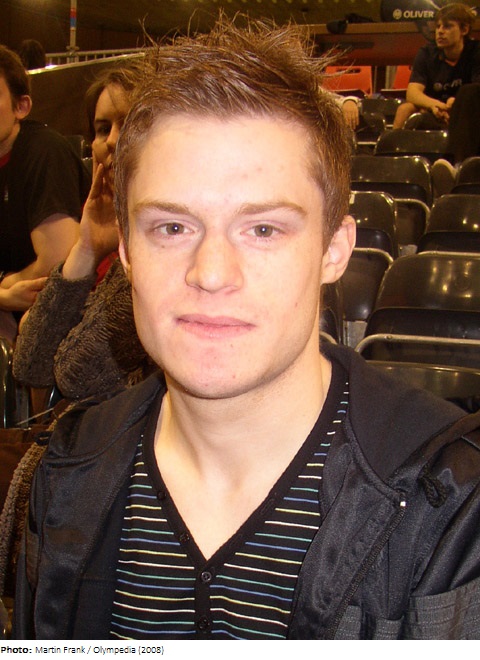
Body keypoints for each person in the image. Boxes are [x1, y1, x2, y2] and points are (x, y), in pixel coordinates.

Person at [13, 17, 480, 640]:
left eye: (263, 229)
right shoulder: (66, 471)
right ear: (126, 252)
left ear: (334, 250)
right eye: (171, 227)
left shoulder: (448, 506)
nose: (210, 273)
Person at [12, 59, 152, 401]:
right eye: (102, 129)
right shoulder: (110, 226)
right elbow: (29, 364)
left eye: (128, 124)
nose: (112, 140)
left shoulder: (161, 243)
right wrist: (87, 248)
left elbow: (76, 373)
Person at [0, 46, 90, 341]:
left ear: (21, 107)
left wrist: (7, 288)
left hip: (61, 313)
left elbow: (57, 261)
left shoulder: (44, 152)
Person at [392, 3, 480, 128]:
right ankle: (393, 140)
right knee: (404, 109)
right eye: (438, 26)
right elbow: (412, 93)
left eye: (447, 26)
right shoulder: (426, 52)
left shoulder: (476, 52)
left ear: (464, 30)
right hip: (433, 107)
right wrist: (435, 105)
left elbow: (476, 93)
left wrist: (458, 102)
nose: (440, 31)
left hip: (466, 109)